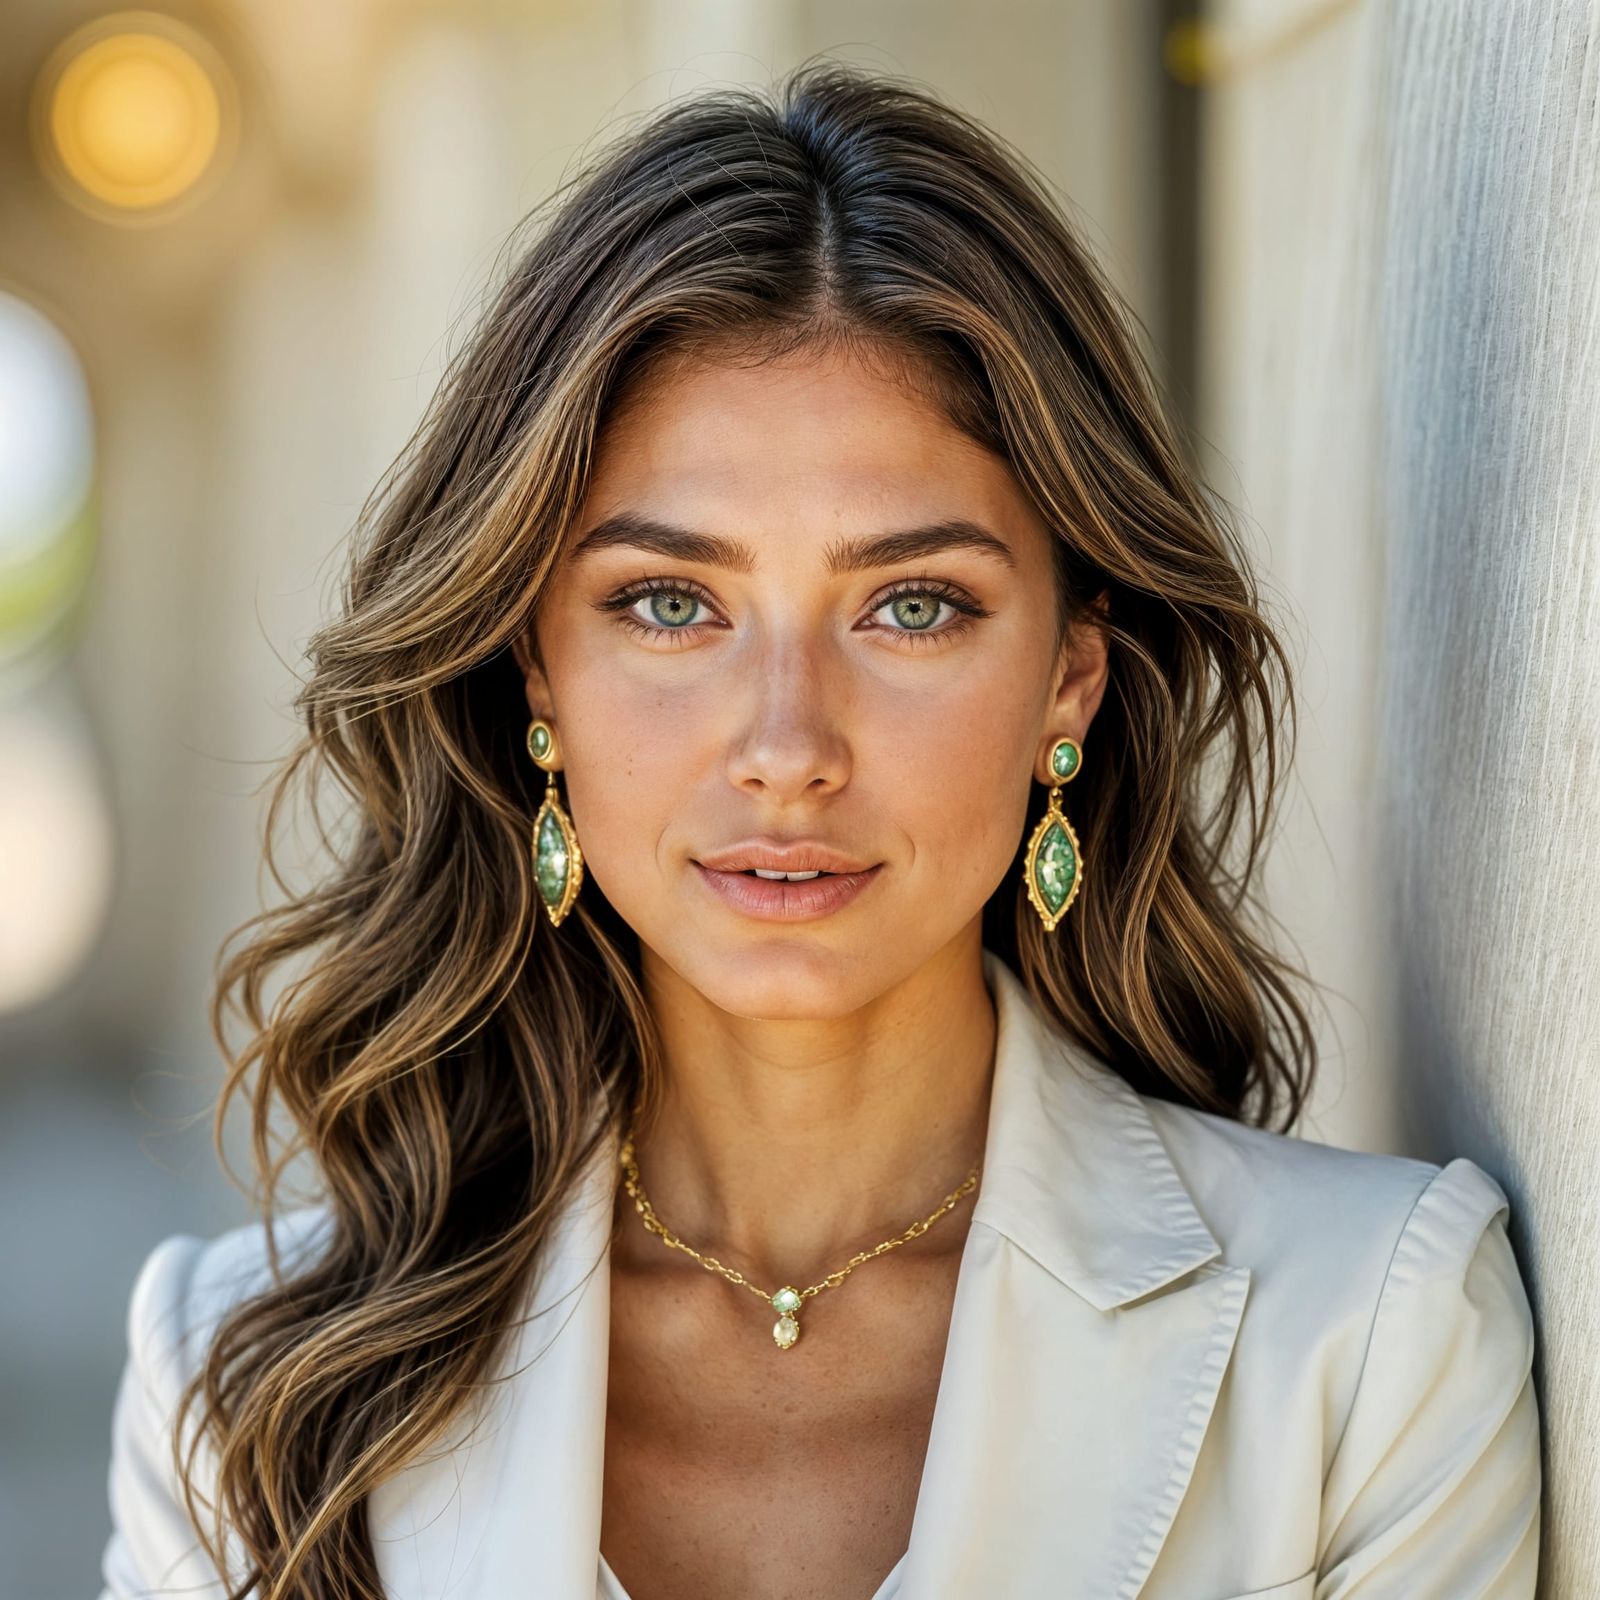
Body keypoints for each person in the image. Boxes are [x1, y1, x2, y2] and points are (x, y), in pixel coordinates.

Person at [99, 58, 1542, 1600]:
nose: (786, 746)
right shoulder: (240, 1386)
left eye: (911, 608)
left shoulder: (1371, 1344)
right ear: (538, 670)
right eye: (670, 605)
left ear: (1071, 676)